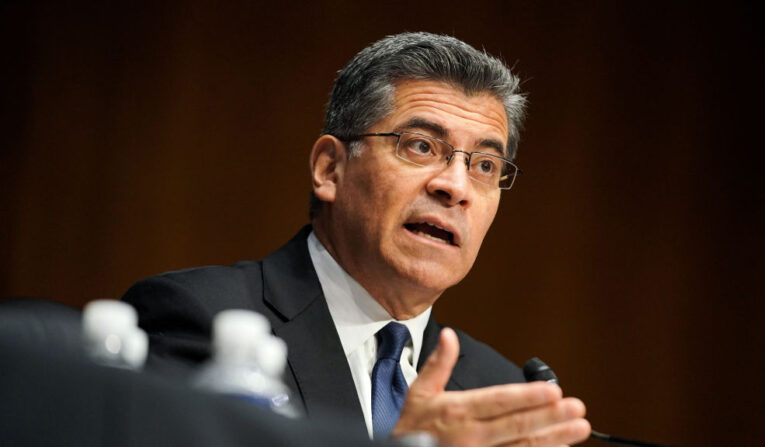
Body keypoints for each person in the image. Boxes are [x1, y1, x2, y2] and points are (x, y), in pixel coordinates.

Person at [123, 32, 591, 446]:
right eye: (421, 146)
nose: (456, 186)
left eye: (485, 165)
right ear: (330, 169)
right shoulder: (198, 318)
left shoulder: (495, 394)